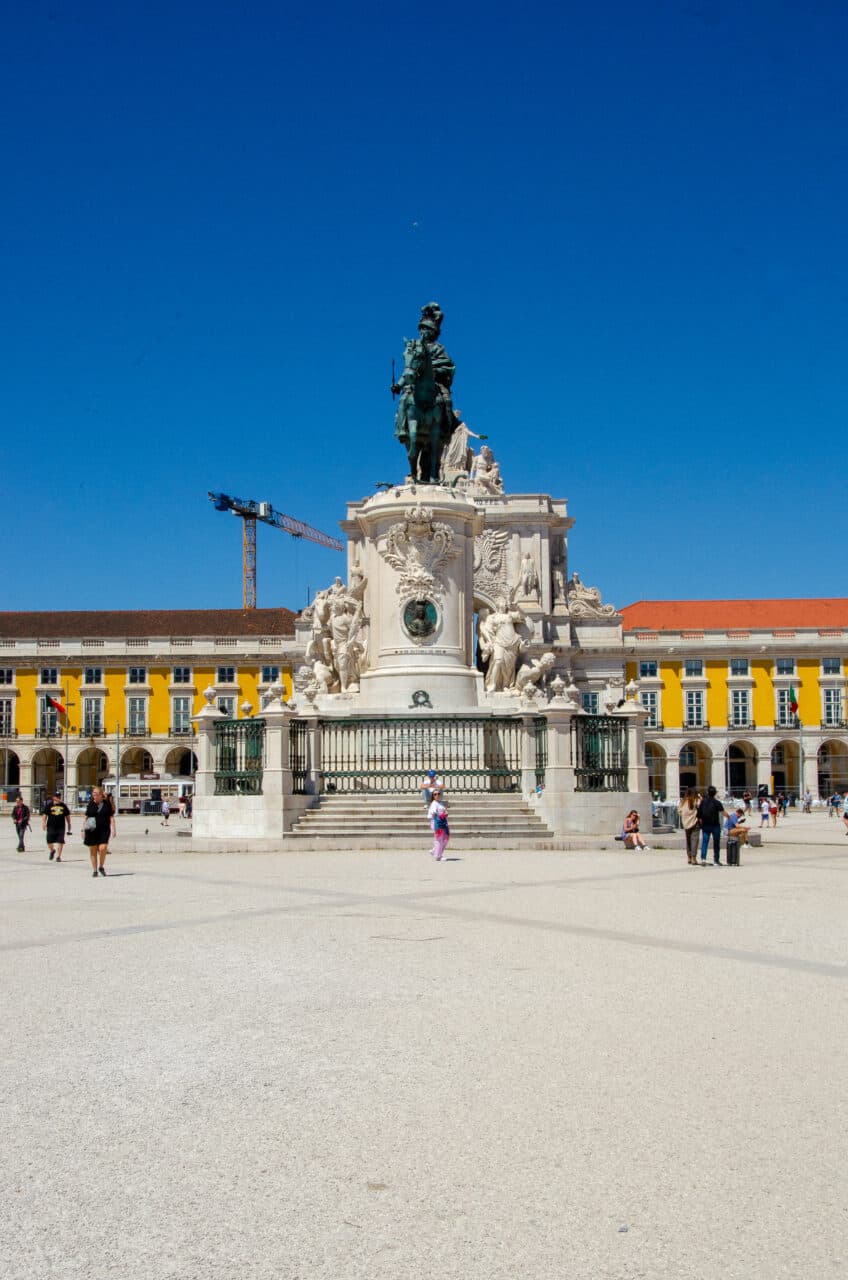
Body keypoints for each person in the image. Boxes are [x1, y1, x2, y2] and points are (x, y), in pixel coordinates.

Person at [84, 785, 116, 877]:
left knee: (103, 848)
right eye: (93, 794)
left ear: (101, 795)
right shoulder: (91, 804)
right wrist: (83, 830)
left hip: (104, 829)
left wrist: (113, 829)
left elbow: (111, 815)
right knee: (93, 850)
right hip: (92, 829)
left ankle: (101, 866)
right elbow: (86, 817)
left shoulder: (106, 804)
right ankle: (95, 870)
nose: (95, 796)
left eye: (97, 794)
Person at [696, 785, 725, 865]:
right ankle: (716, 860)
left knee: (705, 842)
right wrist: (729, 817)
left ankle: (703, 859)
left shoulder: (703, 802)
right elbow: (723, 812)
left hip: (706, 825)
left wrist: (701, 823)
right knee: (716, 843)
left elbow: (699, 815)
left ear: (707, 793)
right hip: (715, 825)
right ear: (715, 793)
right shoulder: (717, 802)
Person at [42, 790, 71, 861]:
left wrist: (69, 824)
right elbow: (45, 814)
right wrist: (43, 823)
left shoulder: (63, 805)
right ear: (53, 797)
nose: (58, 798)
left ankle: (58, 856)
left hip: (61, 826)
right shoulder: (49, 805)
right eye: (57, 796)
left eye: (59, 796)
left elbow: (67, 815)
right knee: (49, 841)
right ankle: (52, 850)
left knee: (60, 841)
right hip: (51, 826)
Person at [678, 788, 700, 865]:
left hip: (685, 823)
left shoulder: (683, 801)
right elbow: (701, 807)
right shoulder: (696, 800)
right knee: (694, 840)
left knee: (688, 841)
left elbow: (679, 811)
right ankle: (694, 858)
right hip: (695, 822)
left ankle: (689, 857)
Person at [427, 793, 450, 862]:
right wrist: (441, 814)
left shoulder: (440, 803)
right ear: (433, 796)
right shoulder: (434, 804)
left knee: (445, 838)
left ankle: (434, 850)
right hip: (437, 823)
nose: (437, 795)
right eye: (435, 794)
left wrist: (445, 813)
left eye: (438, 794)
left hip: (443, 822)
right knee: (439, 839)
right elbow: (433, 813)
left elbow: (444, 811)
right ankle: (438, 856)